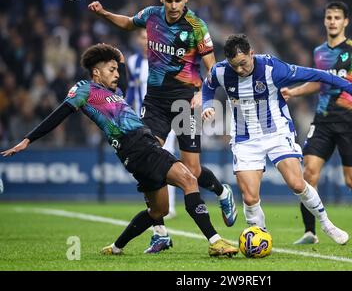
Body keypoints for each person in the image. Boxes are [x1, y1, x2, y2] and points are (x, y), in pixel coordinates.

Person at [1, 43, 238, 257]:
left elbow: (122, 82)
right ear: (96, 72)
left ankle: (116, 247)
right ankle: (215, 241)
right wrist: (28, 139)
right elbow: (60, 113)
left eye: (116, 70)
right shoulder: (84, 89)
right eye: (111, 70)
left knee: (158, 211)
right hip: (139, 145)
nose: (116, 74)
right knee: (188, 179)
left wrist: (120, 60)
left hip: (133, 154)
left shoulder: (114, 93)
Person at [88, 0, 237, 253]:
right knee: (147, 162)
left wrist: (201, 95)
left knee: (191, 170)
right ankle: (160, 230)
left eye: (177, 0)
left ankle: (221, 191)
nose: (172, 5)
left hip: (184, 102)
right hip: (155, 102)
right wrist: (105, 13)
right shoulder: (152, 16)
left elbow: (212, 68)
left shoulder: (196, 26)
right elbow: (128, 22)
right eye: (168, 0)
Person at [202, 34, 352, 245]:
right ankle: (260, 237)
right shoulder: (220, 71)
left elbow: (317, 74)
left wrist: (350, 87)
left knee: (296, 183)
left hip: (277, 134)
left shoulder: (273, 69)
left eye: (243, 64)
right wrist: (208, 104)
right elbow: (207, 86)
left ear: (251, 54)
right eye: (234, 66)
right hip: (245, 139)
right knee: (249, 197)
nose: (239, 70)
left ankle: (326, 223)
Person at [280, 1, 352, 245]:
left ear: (345, 22)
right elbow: (320, 82)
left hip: (349, 122)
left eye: (336, 18)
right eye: (328, 17)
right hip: (322, 120)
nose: (332, 21)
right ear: (324, 21)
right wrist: (295, 92)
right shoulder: (319, 52)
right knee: (308, 173)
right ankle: (310, 232)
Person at [126, 29, 177, 220]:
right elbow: (131, 91)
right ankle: (154, 204)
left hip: (164, 118)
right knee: (148, 162)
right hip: (141, 121)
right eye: (141, 37)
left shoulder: (165, 60)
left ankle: (169, 205)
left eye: (148, 37)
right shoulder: (132, 62)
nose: (144, 41)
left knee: (167, 159)